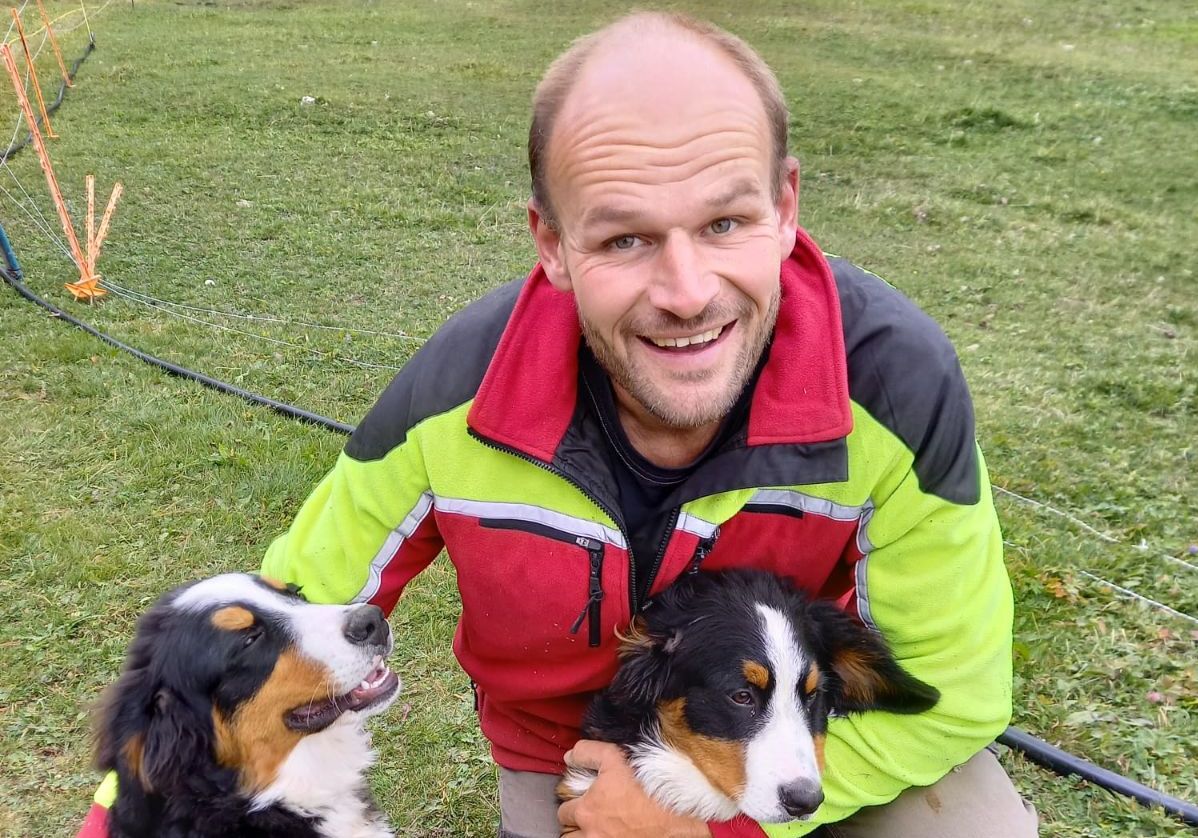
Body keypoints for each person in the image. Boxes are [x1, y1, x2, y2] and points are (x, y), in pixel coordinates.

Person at [79, 11, 1036, 838]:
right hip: (564, 753)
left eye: (724, 223)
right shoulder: (450, 398)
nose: (687, 292)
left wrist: (721, 818)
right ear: (551, 243)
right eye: (625, 237)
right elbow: (290, 604)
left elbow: (958, 693)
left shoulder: (901, 389)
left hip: (818, 731)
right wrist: (122, 808)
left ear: (786, 207)